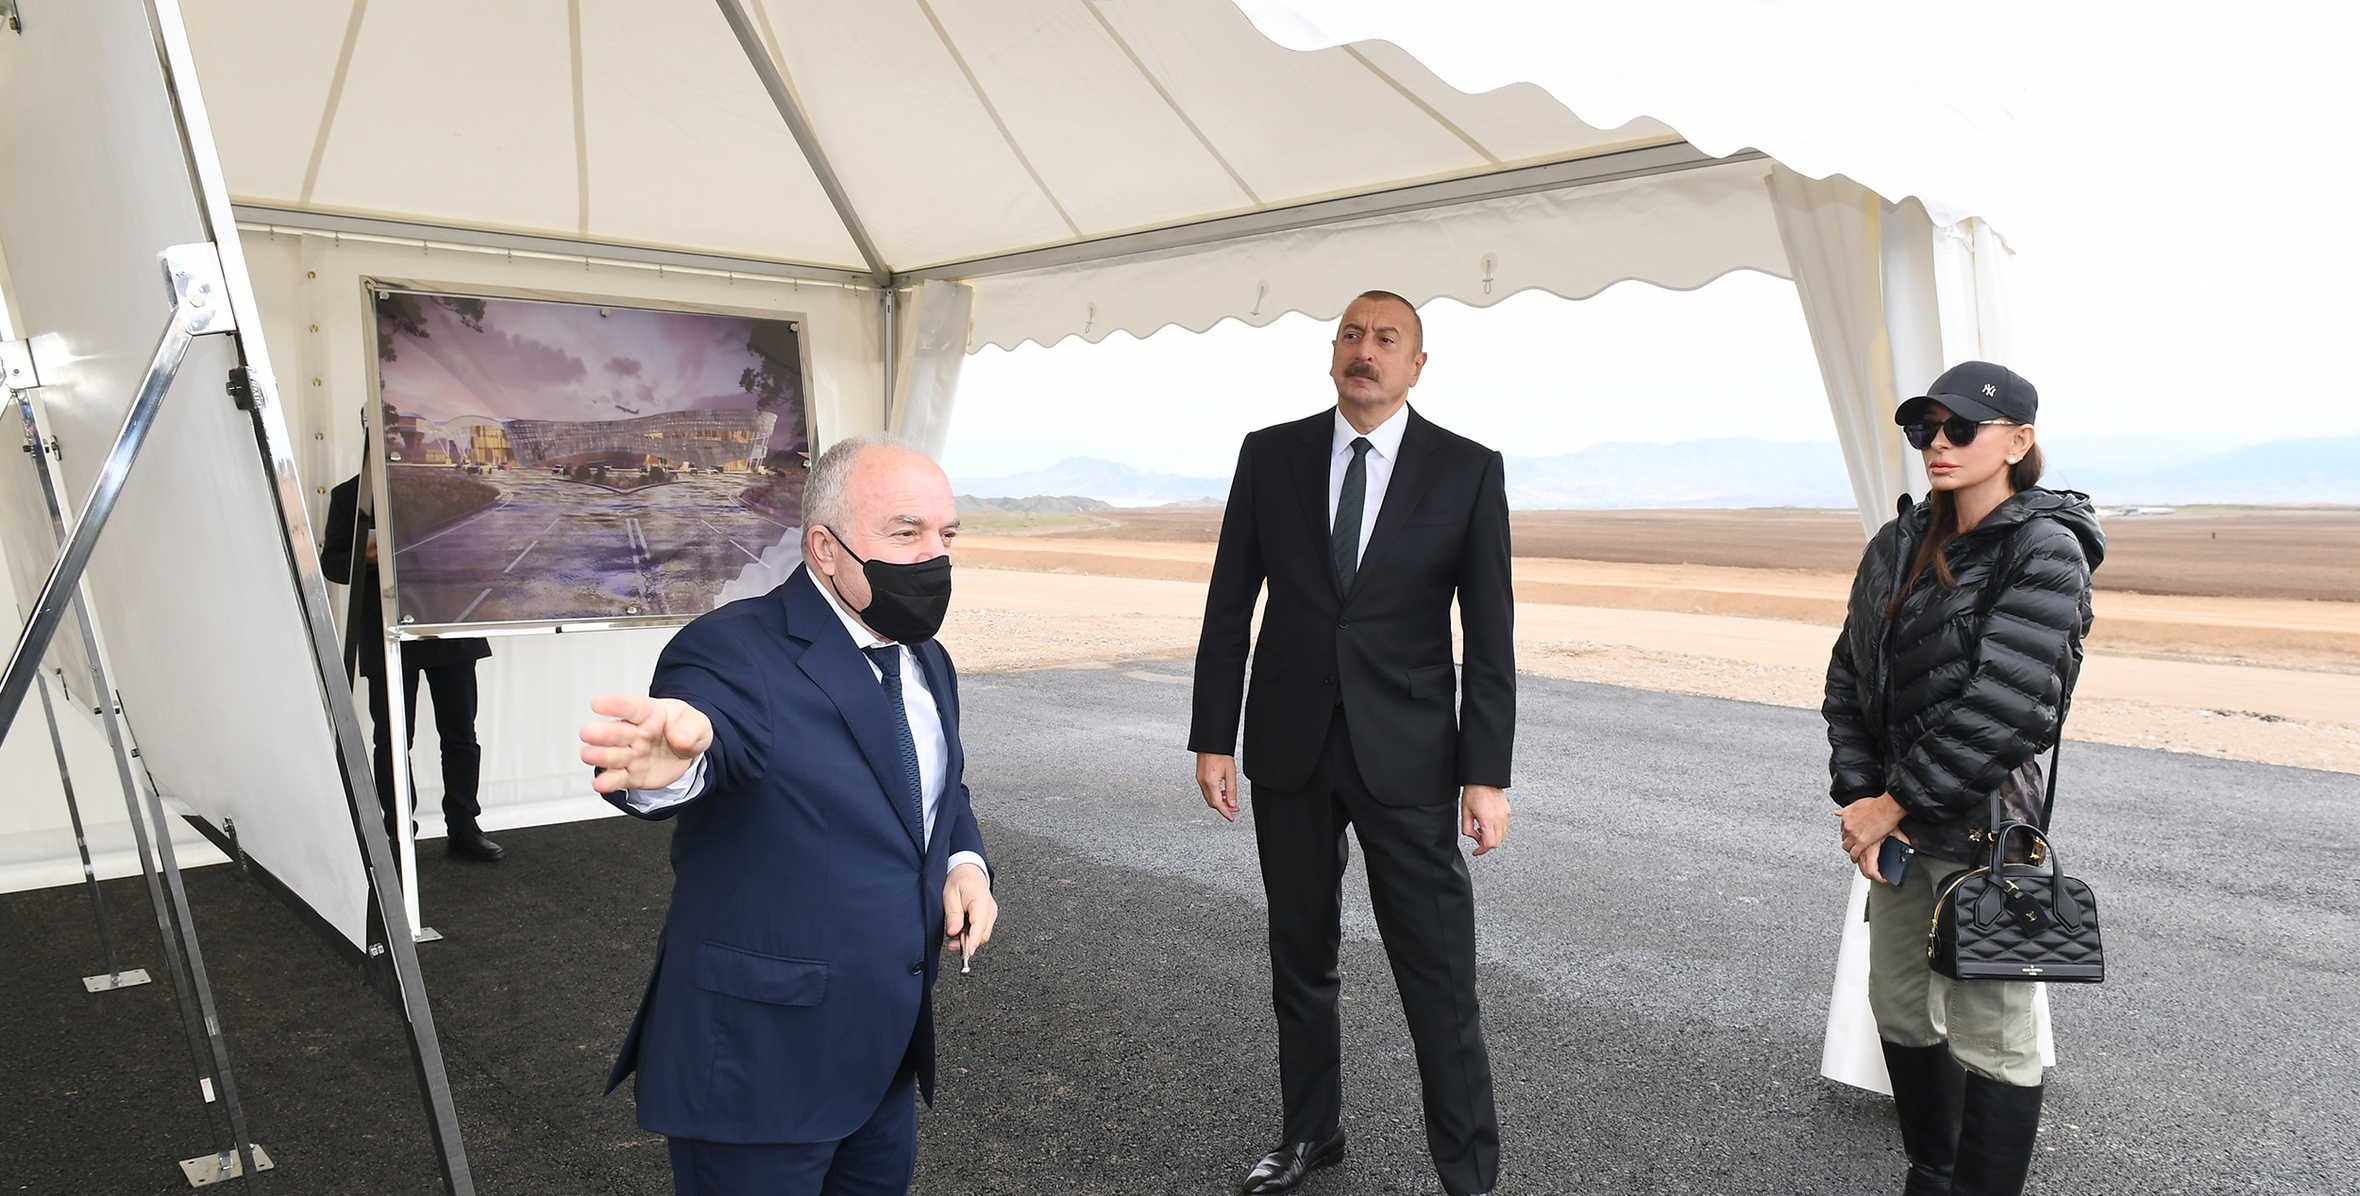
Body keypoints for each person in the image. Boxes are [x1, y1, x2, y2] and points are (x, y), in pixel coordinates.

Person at [581, 432, 996, 1196]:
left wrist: (964, 864)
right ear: (825, 549)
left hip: (883, 1061)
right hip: (758, 1071)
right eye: (906, 533)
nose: (934, 557)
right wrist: (676, 765)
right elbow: (708, 739)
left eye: (947, 535)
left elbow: (939, 793)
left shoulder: (926, 657)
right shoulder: (730, 650)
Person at [1191, 290, 1514, 1196]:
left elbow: (1490, 637)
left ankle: (1469, 1171)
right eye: (1351, 335)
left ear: (1417, 365)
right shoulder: (1270, 456)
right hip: (1289, 745)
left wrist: (1485, 775)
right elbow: (1229, 603)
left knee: (1437, 971)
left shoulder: (1467, 470)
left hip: (1408, 754)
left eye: (1386, 339)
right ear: (1333, 353)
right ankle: (1310, 1134)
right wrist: (1213, 735)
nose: (1364, 351)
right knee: (1300, 957)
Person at [1823, 362, 2102, 1196]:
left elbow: (2006, 708)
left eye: (1960, 428)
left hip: (1987, 828)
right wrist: (1861, 796)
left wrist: (1890, 803)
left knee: (1994, 1033)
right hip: (1898, 826)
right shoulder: (1898, 542)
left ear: (2018, 442)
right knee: (1899, 1004)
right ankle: (1933, 1173)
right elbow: (1850, 677)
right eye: (1924, 429)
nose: (1937, 444)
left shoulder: (2045, 548)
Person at [320, 474, 503, 861]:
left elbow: (481, 539)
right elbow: (332, 564)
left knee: (460, 735)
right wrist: (363, 556)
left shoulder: (446, 484)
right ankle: (398, 832)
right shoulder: (351, 495)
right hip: (386, 629)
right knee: (392, 739)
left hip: (449, 621)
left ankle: (464, 825)